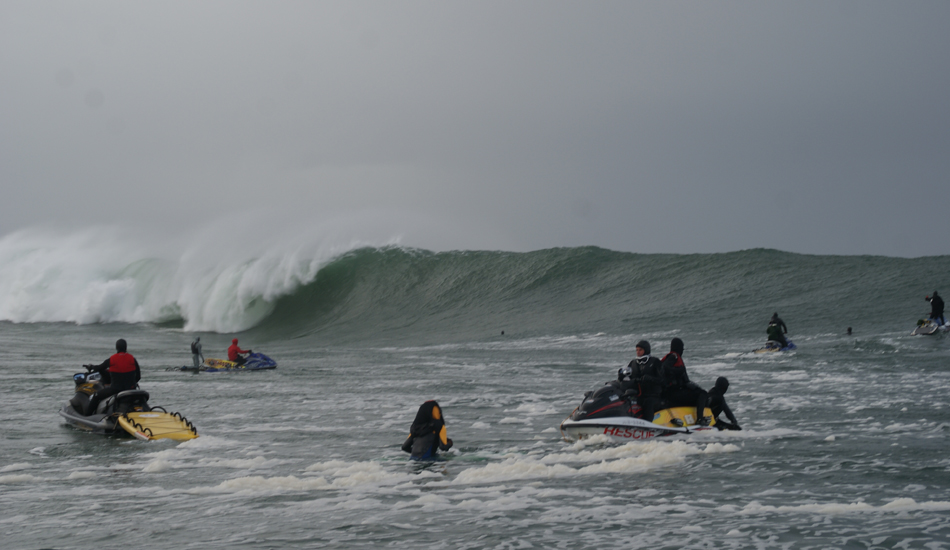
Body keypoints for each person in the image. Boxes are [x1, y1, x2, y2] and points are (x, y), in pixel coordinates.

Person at [659, 337, 709, 426]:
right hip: (673, 393)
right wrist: (678, 370)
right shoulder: (673, 356)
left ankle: (690, 416)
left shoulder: (674, 358)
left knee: (698, 393)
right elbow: (664, 368)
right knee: (703, 394)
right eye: (681, 347)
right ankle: (700, 419)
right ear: (678, 348)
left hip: (672, 392)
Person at [86, 338, 142, 415]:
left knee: (96, 396)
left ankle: (87, 416)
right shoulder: (132, 359)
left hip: (116, 390)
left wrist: (91, 367)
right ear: (126, 347)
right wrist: (132, 384)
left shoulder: (112, 359)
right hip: (131, 389)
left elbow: (99, 368)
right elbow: (138, 376)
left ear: (116, 348)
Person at [618, 340, 664, 423]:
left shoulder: (655, 362)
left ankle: (648, 426)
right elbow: (628, 377)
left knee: (648, 403)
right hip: (638, 394)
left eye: (640, 350)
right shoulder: (633, 363)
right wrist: (621, 376)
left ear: (646, 350)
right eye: (637, 350)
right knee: (626, 401)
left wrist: (651, 378)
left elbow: (663, 380)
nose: (638, 352)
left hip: (653, 396)